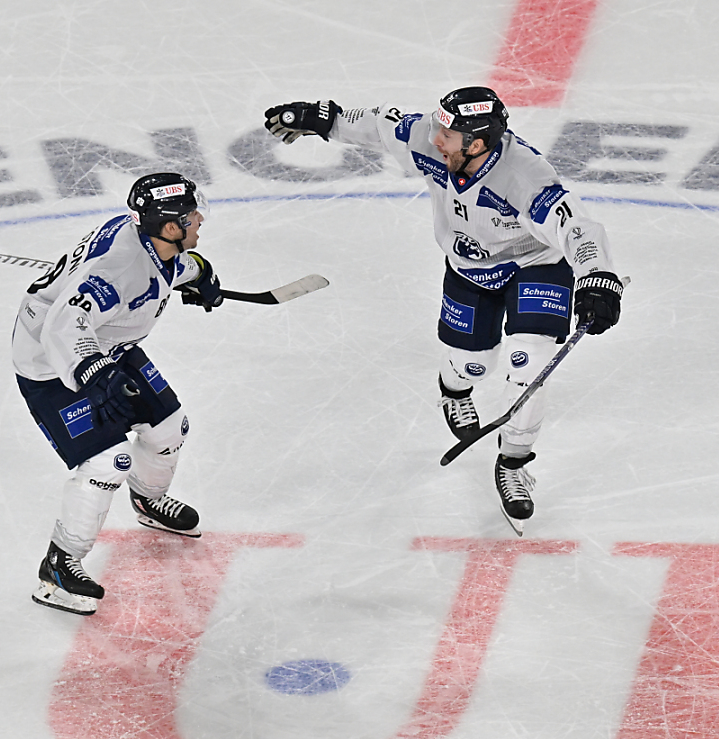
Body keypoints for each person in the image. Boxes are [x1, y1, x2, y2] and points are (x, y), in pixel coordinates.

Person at [264, 87, 624, 534]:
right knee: (473, 365)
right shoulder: (431, 138)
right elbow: (380, 125)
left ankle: (514, 463)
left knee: (529, 365)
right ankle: (454, 390)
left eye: (448, 136)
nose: (436, 139)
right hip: (469, 269)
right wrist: (325, 119)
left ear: (477, 143)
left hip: (536, 267)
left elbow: (576, 226)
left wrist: (598, 276)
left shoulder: (524, 175)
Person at [12, 172, 223, 614]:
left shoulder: (151, 240)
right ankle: (59, 564)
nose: (200, 219)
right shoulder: (119, 269)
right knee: (109, 460)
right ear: (170, 227)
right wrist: (95, 374)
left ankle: (147, 498)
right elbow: (64, 326)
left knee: (169, 428)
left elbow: (165, 267)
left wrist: (199, 272)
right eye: (191, 216)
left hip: (110, 343)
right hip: (53, 362)